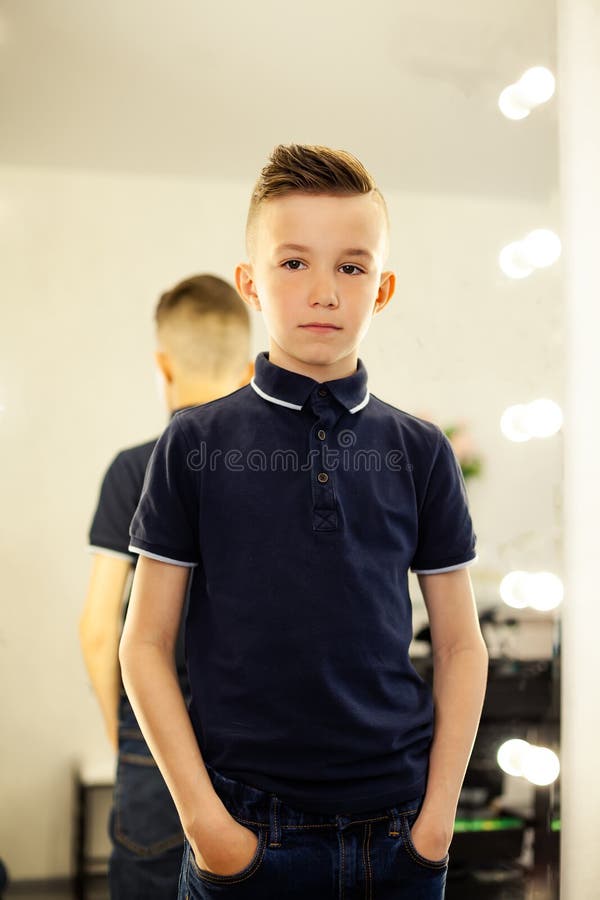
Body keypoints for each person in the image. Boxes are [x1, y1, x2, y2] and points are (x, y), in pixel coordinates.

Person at [119, 144, 489, 900]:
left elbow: (460, 644)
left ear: (381, 289)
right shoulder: (193, 443)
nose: (323, 290)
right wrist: (207, 828)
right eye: (294, 263)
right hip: (249, 837)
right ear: (250, 284)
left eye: (350, 267)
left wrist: (438, 823)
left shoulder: (420, 451)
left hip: (400, 836)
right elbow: (144, 645)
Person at [79, 274, 252, 899]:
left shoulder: (133, 469)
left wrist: (124, 733)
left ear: (162, 364)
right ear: (247, 371)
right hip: (252, 746)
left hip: (151, 741)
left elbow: (100, 630)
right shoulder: (276, 473)